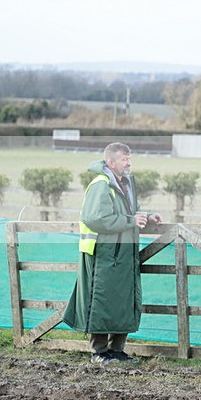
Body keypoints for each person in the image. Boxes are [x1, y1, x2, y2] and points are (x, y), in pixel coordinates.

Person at [62, 142, 162, 364]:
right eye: (124, 158)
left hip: (124, 253)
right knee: (101, 302)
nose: (128, 162)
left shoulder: (126, 183)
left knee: (124, 301)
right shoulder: (101, 184)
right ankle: (99, 352)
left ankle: (117, 350)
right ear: (111, 162)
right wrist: (130, 220)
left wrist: (147, 215)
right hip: (103, 255)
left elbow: (128, 211)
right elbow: (96, 218)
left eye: (129, 158)